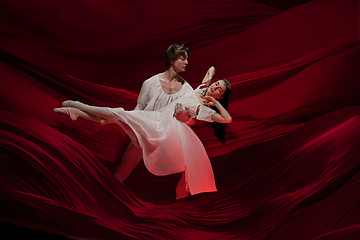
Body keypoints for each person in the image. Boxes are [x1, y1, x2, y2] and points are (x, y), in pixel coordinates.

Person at [54, 74, 232, 199]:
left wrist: (214, 103)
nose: (216, 86)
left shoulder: (204, 109)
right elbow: (211, 70)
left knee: (120, 116)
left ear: (221, 96)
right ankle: (77, 112)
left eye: (220, 89)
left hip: (164, 133)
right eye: (217, 84)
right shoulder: (199, 89)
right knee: (118, 126)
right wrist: (212, 81)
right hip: (155, 120)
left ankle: (78, 106)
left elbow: (226, 119)